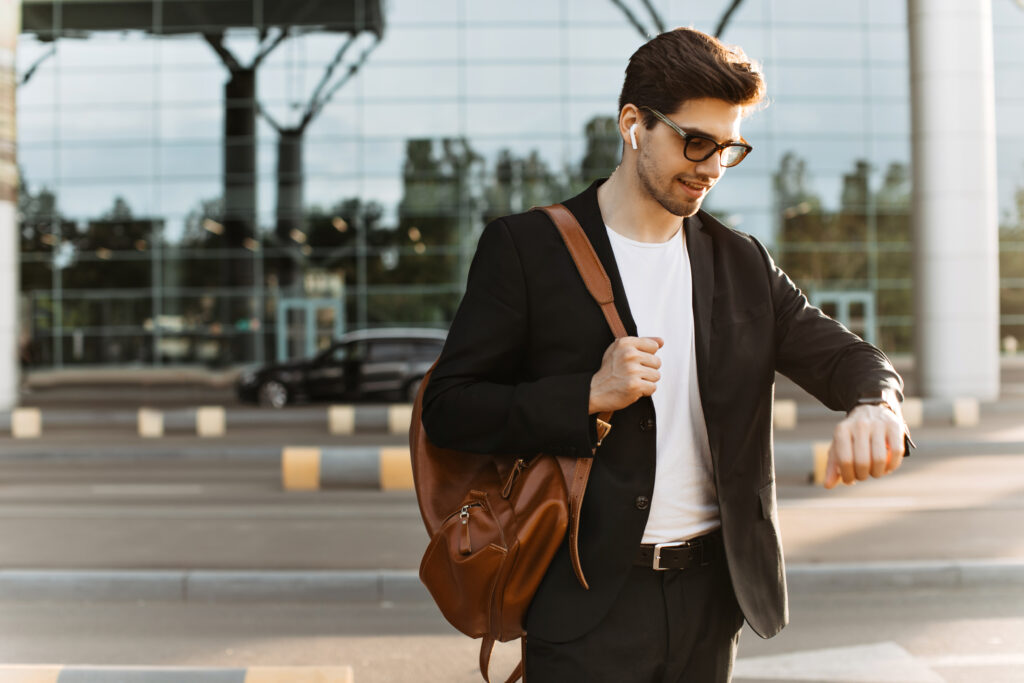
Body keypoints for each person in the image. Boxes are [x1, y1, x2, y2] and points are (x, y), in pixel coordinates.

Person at [422, 27, 912, 683]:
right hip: (585, 600)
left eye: (729, 148)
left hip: (711, 600)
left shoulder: (741, 261)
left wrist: (875, 403)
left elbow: (846, 359)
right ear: (633, 125)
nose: (712, 166)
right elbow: (450, 410)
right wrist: (585, 395)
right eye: (695, 142)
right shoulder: (526, 249)